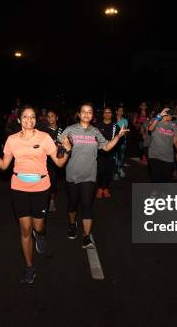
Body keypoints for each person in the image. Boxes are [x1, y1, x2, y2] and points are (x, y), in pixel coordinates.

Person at [0, 105, 71, 284]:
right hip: (19, 188)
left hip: (41, 188)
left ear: (36, 119)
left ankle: (40, 235)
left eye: (32, 117)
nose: (29, 120)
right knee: (25, 230)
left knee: (38, 226)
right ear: (19, 119)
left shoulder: (44, 137)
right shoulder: (12, 140)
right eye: (25, 117)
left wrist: (68, 151)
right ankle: (30, 267)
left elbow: (59, 163)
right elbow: (3, 165)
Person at [59, 103, 129, 248]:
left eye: (89, 112)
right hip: (72, 176)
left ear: (92, 115)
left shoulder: (96, 132)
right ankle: (72, 224)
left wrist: (118, 136)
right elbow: (59, 145)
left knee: (87, 206)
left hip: (89, 177)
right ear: (79, 114)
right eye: (83, 111)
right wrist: (64, 146)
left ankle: (86, 236)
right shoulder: (70, 130)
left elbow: (107, 146)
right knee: (72, 205)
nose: (86, 114)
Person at [147, 107, 177, 183]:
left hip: (168, 156)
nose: (171, 117)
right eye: (170, 115)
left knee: (166, 179)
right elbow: (150, 129)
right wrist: (159, 116)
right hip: (155, 154)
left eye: (172, 116)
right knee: (156, 178)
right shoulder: (156, 121)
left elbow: (175, 139)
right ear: (165, 115)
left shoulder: (173, 125)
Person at [40, 109, 64, 212]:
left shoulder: (61, 130)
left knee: (53, 180)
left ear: (56, 118)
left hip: (56, 159)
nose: (50, 118)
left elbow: (64, 145)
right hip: (45, 159)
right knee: (44, 180)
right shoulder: (43, 130)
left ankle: (52, 201)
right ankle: (44, 200)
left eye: (52, 116)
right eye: (48, 116)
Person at [95, 106, 120, 198]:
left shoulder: (115, 126)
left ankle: (106, 188)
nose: (107, 114)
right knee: (101, 171)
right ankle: (100, 188)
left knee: (109, 171)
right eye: (105, 112)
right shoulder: (97, 125)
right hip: (100, 152)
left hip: (111, 153)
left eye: (109, 112)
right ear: (103, 114)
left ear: (112, 114)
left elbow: (118, 139)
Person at [114, 105, 129, 180]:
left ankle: (120, 169)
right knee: (116, 156)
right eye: (120, 110)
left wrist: (124, 132)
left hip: (123, 140)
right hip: (114, 141)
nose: (121, 112)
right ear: (116, 112)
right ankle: (116, 172)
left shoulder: (125, 120)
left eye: (122, 111)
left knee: (122, 156)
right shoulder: (113, 120)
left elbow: (125, 131)